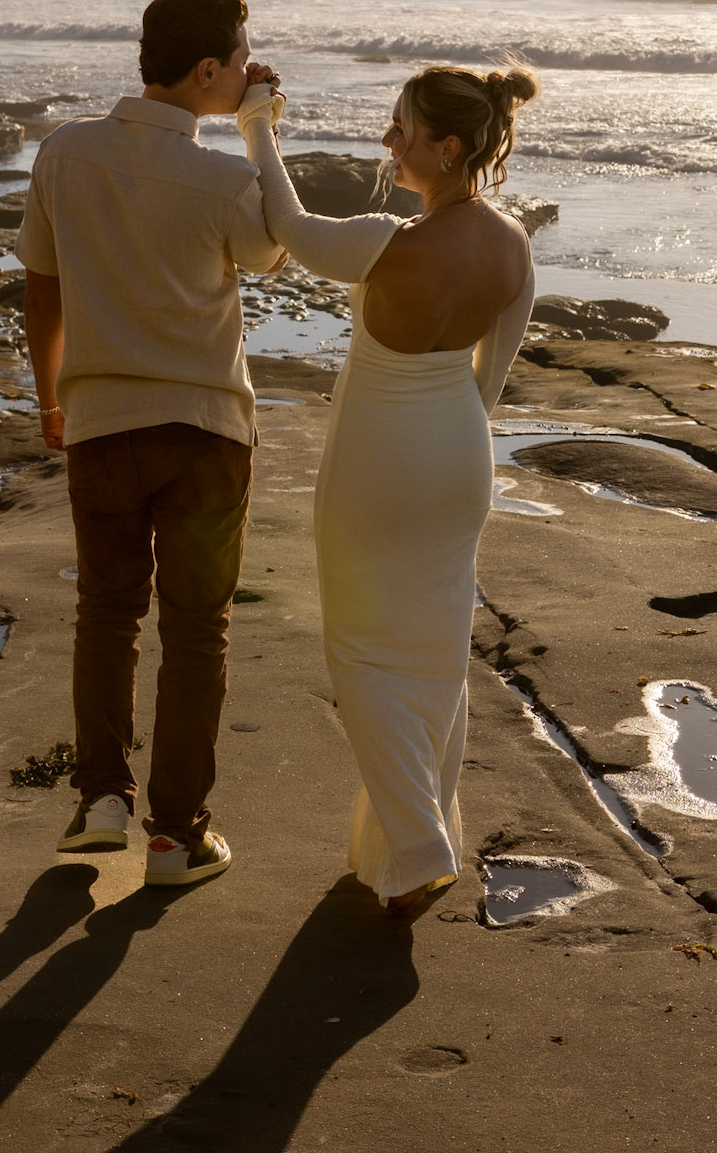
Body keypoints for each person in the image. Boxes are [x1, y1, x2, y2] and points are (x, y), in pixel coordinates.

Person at [238, 61, 538, 913]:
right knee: (436, 656)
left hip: (381, 460)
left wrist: (259, 122)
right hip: (458, 461)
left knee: (363, 650)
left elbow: (287, 222)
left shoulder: (385, 241)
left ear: (446, 149)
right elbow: (490, 386)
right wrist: (447, 448)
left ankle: (416, 845)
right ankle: (413, 837)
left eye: (400, 129)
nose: (386, 140)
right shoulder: (513, 245)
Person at [16, 0, 286, 888]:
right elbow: (272, 253)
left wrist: (51, 399)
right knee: (196, 631)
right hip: (208, 430)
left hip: (100, 424)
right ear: (207, 70)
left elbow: (43, 290)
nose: (249, 68)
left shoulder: (66, 152)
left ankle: (101, 801)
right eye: (241, 58)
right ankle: (177, 835)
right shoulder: (225, 178)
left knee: (107, 614)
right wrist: (261, 126)